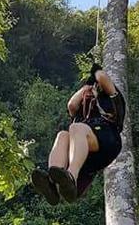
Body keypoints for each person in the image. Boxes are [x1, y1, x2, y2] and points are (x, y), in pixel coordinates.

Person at [31, 63, 125, 204]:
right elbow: (71, 105)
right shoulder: (82, 110)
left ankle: (72, 177)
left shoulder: (111, 98)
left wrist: (95, 75)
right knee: (63, 135)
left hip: (108, 139)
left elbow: (101, 76)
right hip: (88, 152)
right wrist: (85, 89)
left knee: (75, 128)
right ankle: (52, 184)